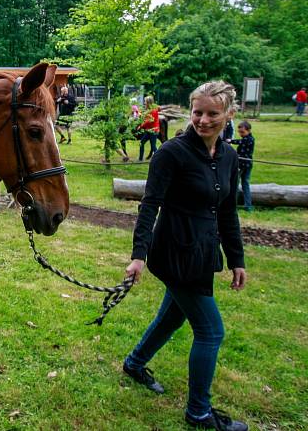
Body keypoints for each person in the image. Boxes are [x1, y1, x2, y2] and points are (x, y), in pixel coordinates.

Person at [122, 80, 248, 431]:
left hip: (203, 252)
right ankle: (199, 413)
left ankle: (134, 363)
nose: (203, 120)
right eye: (197, 112)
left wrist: (237, 259)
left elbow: (227, 213)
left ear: (229, 114)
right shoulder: (172, 152)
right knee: (211, 332)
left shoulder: (229, 156)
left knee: (173, 317)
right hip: (174, 252)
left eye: (212, 113)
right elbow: (150, 205)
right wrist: (138, 255)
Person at [229, 121, 254, 212]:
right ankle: (246, 205)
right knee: (243, 184)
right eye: (239, 132)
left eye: (242, 132)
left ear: (249, 130)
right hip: (246, 164)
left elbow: (241, 142)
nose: (241, 134)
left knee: (237, 184)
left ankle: (241, 205)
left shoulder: (249, 139)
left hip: (243, 165)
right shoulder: (247, 138)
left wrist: (230, 140)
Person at [137, 95, 160, 161]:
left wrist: (140, 126)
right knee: (141, 143)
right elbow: (146, 118)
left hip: (153, 131)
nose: (144, 103)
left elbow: (149, 121)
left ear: (148, 103)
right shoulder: (149, 110)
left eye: (145, 102)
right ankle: (140, 159)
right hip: (149, 130)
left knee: (153, 146)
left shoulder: (153, 110)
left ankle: (159, 159)